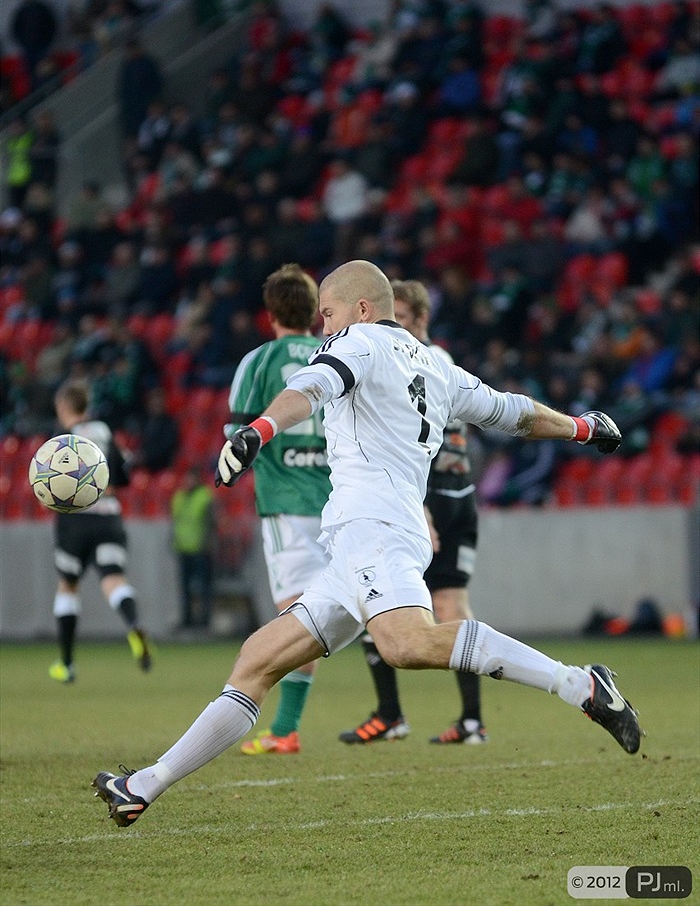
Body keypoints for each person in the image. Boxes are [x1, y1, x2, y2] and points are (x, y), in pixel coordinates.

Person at [92, 260, 640, 829]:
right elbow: (513, 412)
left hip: (374, 530)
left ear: (359, 309)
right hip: (361, 543)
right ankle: (142, 787)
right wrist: (581, 426)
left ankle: (577, 683)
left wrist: (258, 430)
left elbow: (312, 385)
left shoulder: (358, 341)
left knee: (405, 645)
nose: (321, 326)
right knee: (257, 660)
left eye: (326, 314)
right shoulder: (437, 365)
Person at [339, 279, 486, 745]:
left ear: (420, 319)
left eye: (399, 318)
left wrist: (419, 504)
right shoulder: (446, 363)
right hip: (461, 494)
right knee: (449, 607)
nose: (390, 327)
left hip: (430, 498)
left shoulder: (416, 361)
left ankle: (391, 713)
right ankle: (470, 721)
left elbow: (411, 444)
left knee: (376, 598)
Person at [226, 263, 332, 754]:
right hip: (340, 500)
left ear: (270, 313)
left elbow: (239, 436)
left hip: (287, 503)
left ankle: (285, 728)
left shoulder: (259, 361)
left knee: (296, 614)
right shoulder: (336, 355)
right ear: (315, 311)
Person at [49, 379, 152, 683]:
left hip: (75, 521)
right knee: (113, 580)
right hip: (108, 517)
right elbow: (123, 477)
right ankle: (133, 623)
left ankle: (66, 664)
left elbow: (50, 482)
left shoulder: (62, 438)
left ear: (64, 407)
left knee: (68, 586)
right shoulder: (105, 433)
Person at [171, 467, 215, 630]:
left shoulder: (205, 496)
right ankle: (187, 619)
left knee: (204, 587)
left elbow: (212, 522)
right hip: (183, 548)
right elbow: (176, 521)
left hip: (201, 549)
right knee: (184, 588)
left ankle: (204, 621)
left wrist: (209, 544)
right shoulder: (179, 496)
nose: (187, 482)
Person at [10, 0, 57, 89]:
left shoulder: (41, 8)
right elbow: (15, 30)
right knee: (31, 76)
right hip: (28, 49)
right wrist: (23, 43)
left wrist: (47, 42)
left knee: (45, 74)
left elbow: (51, 25)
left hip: (42, 47)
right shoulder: (21, 11)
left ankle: (46, 95)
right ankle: (36, 98)